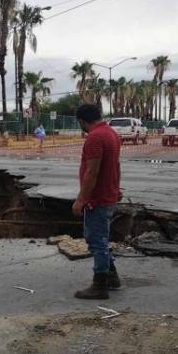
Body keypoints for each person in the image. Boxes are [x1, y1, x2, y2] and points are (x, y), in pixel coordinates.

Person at [72, 104, 122, 300]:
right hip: (108, 194)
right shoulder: (111, 133)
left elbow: (92, 172)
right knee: (100, 238)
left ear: (82, 120)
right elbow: (115, 165)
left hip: (98, 198)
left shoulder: (94, 137)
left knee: (97, 241)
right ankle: (112, 277)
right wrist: (116, 188)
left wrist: (81, 199)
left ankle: (100, 285)